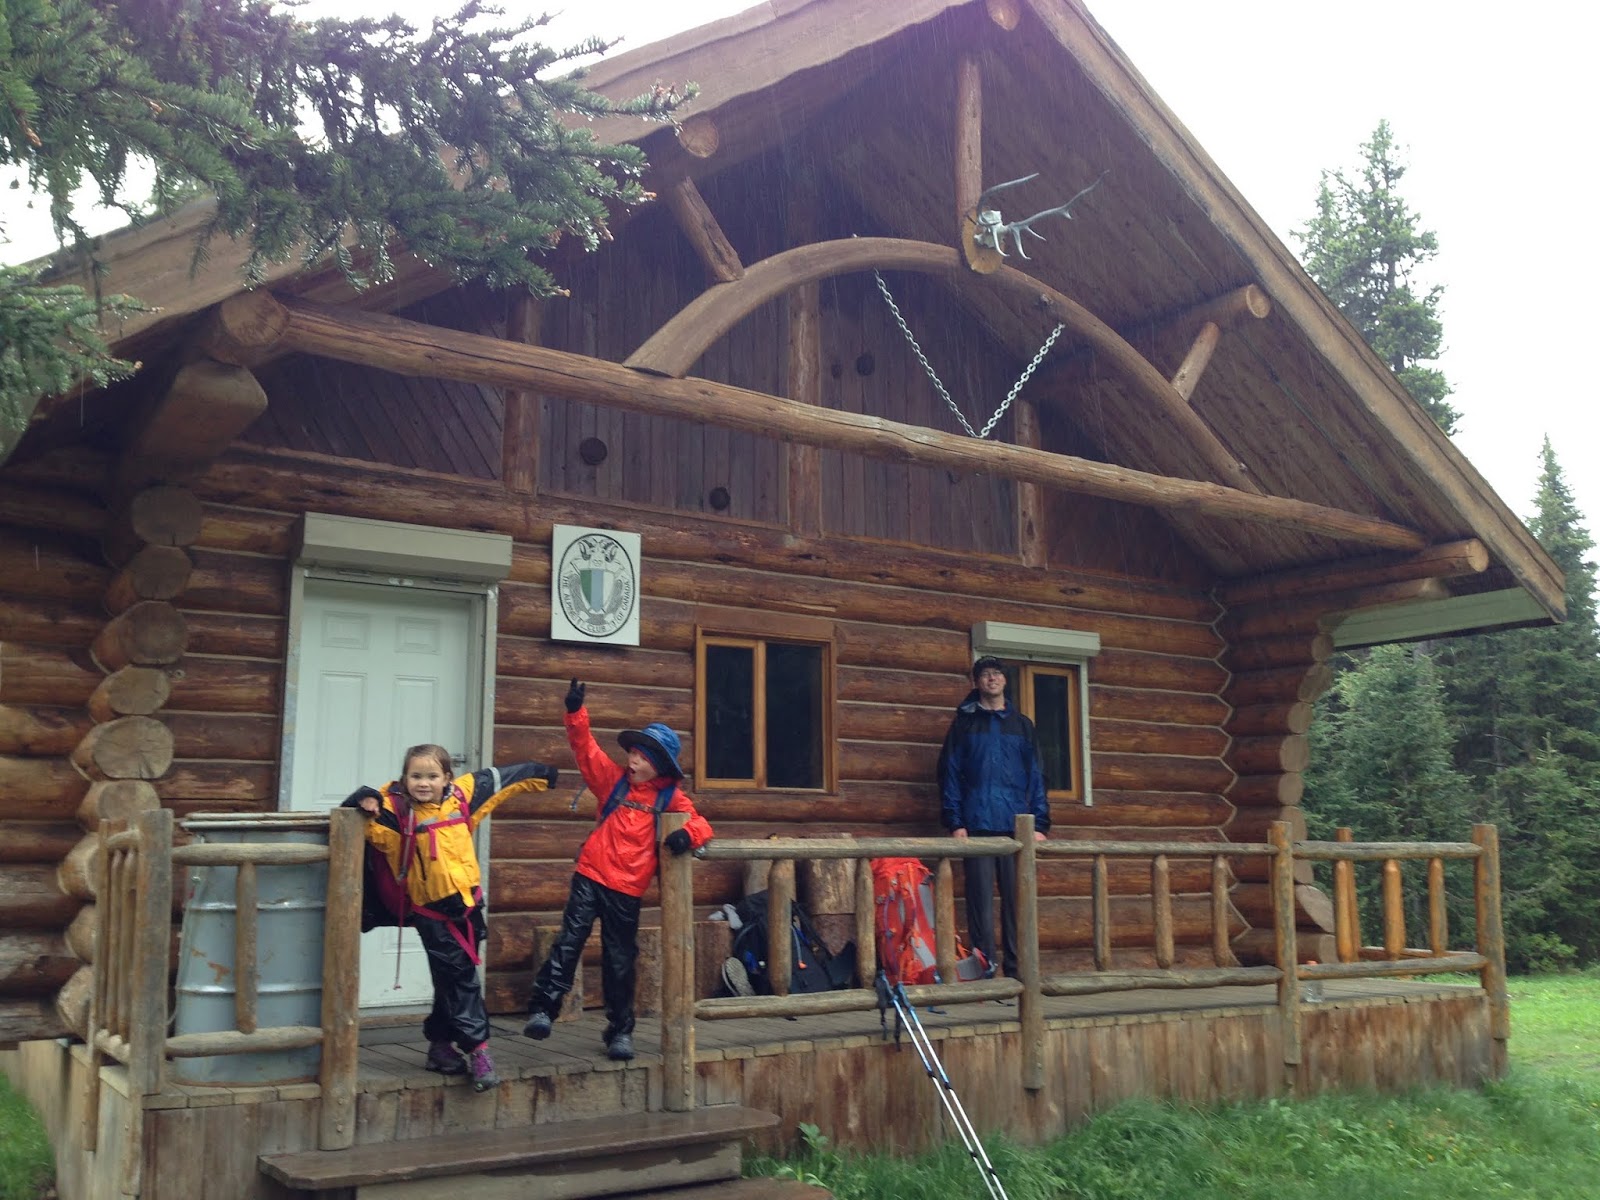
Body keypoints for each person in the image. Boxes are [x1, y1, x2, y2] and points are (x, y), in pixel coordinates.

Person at [344, 744, 559, 1091]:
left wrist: (542, 774)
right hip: (431, 916)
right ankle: (479, 1051)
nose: (423, 783)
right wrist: (364, 797)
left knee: (451, 979)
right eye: (415, 776)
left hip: (469, 908)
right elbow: (355, 816)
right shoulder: (396, 817)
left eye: (432, 776)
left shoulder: (460, 799)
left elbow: (498, 781)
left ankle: (441, 1047)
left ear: (447, 778)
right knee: (462, 980)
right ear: (404, 778)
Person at [522, 678, 713, 1061]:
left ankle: (620, 1031)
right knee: (568, 943)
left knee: (619, 959)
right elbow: (585, 749)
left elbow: (702, 823)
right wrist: (575, 711)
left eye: (642, 756)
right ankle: (543, 1009)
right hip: (590, 875)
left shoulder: (669, 797)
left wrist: (685, 836)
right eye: (634, 753)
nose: (633, 760)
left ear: (657, 763)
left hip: (627, 889)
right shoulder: (612, 781)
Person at [937, 655, 1049, 979]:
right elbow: (950, 776)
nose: (992, 679)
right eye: (985, 674)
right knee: (981, 905)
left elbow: (1037, 776)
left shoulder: (1023, 725)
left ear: (1004, 680)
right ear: (977, 682)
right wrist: (955, 822)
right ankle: (987, 973)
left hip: (1017, 829)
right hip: (978, 827)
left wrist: (1040, 824)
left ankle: (1018, 972)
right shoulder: (964, 725)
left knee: (1017, 903)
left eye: (997, 673)